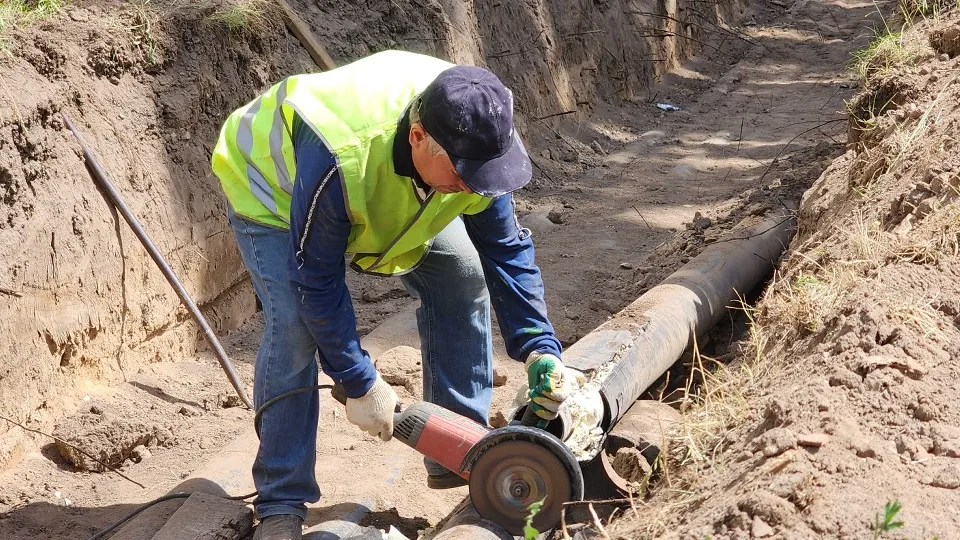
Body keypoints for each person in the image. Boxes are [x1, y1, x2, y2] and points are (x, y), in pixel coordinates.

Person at [210, 50, 579, 540]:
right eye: (463, 175)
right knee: (296, 327)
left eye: (481, 176)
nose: (472, 188)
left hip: (385, 185)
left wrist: (540, 347)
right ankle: (282, 500)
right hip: (275, 191)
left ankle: (466, 456)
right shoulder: (339, 156)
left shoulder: (475, 138)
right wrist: (359, 381)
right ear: (419, 138)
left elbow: (505, 250)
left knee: (461, 273)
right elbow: (317, 283)